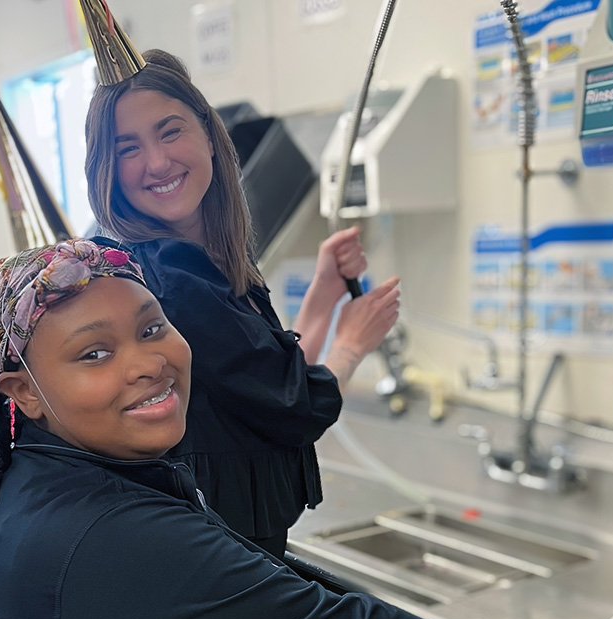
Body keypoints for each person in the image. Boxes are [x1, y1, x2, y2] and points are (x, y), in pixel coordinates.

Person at [0, 238, 613, 619]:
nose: (144, 362)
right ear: (21, 394)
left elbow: (277, 593)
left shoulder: (75, 481)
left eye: (149, 328)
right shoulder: (102, 539)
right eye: (92, 355)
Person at [83, 16, 400, 556]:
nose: (156, 162)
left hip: (230, 553)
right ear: (106, 168)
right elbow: (298, 405)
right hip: (213, 563)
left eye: (169, 131)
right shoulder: (168, 279)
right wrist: (352, 341)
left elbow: (268, 388)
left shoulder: (200, 263)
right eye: (128, 147)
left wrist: (322, 292)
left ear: (208, 132)